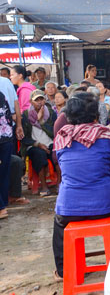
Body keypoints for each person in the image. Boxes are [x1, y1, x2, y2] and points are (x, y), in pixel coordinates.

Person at [51, 92, 110, 281]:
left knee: (59, 227)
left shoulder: (62, 137)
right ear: (96, 114)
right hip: (106, 206)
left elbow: (65, 166)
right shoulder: (107, 137)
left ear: (69, 115)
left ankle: (63, 272)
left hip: (69, 208)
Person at [20, 89, 59, 196]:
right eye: (36, 100)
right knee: (39, 155)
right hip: (33, 144)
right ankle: (44, 186)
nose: (39, 102)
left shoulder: (51, 113)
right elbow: (24, 138)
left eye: (41, 99)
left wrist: (41, 121)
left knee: (57, 154)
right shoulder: (26, 115)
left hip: (50, 142)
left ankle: (59, 184)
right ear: (31, 102)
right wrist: (38, 144)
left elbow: (54, 132)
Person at [0, 91, 17, 220]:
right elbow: (9, 116)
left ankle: (1, 207)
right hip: (6, 136)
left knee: (4, 171)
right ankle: (4, 202)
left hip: (4, 137)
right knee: (4, 172)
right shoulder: (1, 95)